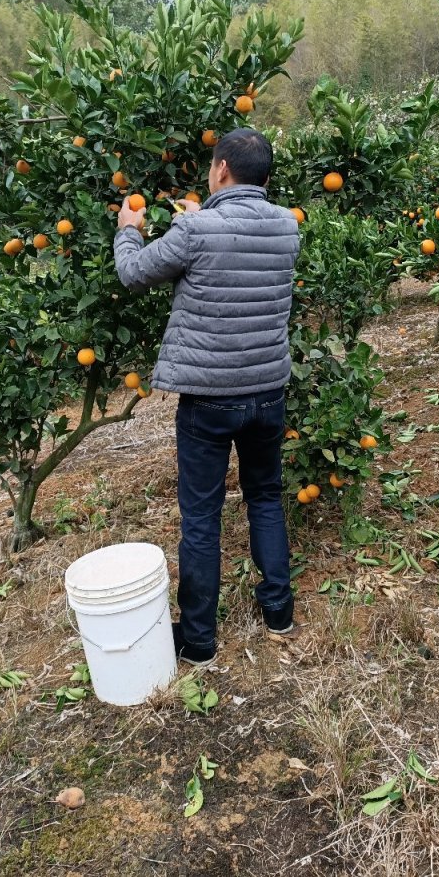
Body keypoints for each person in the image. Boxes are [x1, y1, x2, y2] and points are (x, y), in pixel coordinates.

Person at [113, 129, 300, 665]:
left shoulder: (196, 230)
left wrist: (130, 230)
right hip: (266, 392)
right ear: (264, 177)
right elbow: (228, 245)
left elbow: (134, 273)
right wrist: (192, 219)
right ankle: (279, 614)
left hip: (210, 400)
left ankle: (198, 643)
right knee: (264, 498)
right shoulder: (288, 226)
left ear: (221, 169)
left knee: (201, 518)